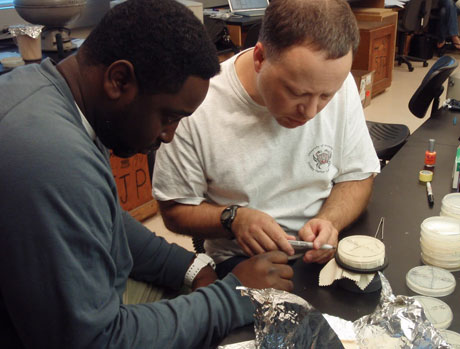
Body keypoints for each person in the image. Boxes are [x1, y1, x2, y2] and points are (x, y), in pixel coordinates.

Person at [0, 0, 294, 348]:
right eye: (169, 117)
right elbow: (98, 340)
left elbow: (104, 219)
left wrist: (188, 265)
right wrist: (232, 298)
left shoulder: (44, 91)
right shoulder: (53, 160)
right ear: (119, 79)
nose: (168, 136)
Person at [153, 0, 381, 278]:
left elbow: (357, 176)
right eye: (297, 93)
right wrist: (232, 218)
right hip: (245, 263)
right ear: (260, 58)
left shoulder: (335, 79)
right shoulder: (199, 104)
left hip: (321, 255)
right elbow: (174, 209)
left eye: (325, 97)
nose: (310, 112)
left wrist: (329, 221)